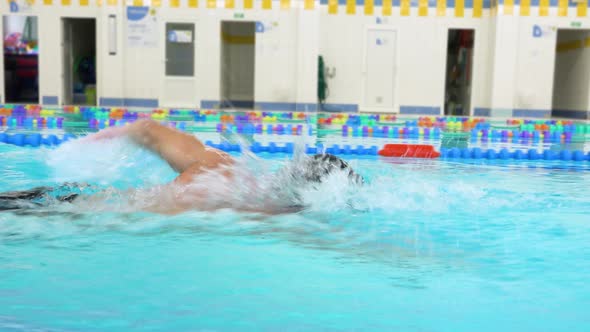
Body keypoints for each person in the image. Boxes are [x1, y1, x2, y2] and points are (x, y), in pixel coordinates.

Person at [0, 119, 364, 215]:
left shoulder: (223, 164)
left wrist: (88, 144)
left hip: (75, 197)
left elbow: (145, 130)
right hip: (80, 219)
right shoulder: (261, 210)